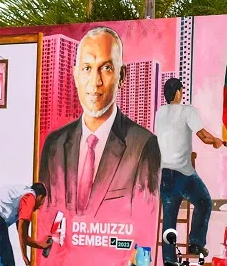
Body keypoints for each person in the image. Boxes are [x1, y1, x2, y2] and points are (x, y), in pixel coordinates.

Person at [39, 27, 160, 217]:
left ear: (121, 76)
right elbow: (44, 218)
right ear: (76, 75)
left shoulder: (143, 146)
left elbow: (145, 222)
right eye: (87, 68)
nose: (95, 81)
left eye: (106, 68)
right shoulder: (54, 144)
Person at [155, 77, 224, 266]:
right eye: (181, 91)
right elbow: (203, 136)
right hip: (183, 173)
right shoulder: (187, 111)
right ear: (177, 93)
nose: (182, 93)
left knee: (169, 226)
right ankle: (195, 241)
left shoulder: (160, 113)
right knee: (204, 201)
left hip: (165, 174)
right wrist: (216, 141)